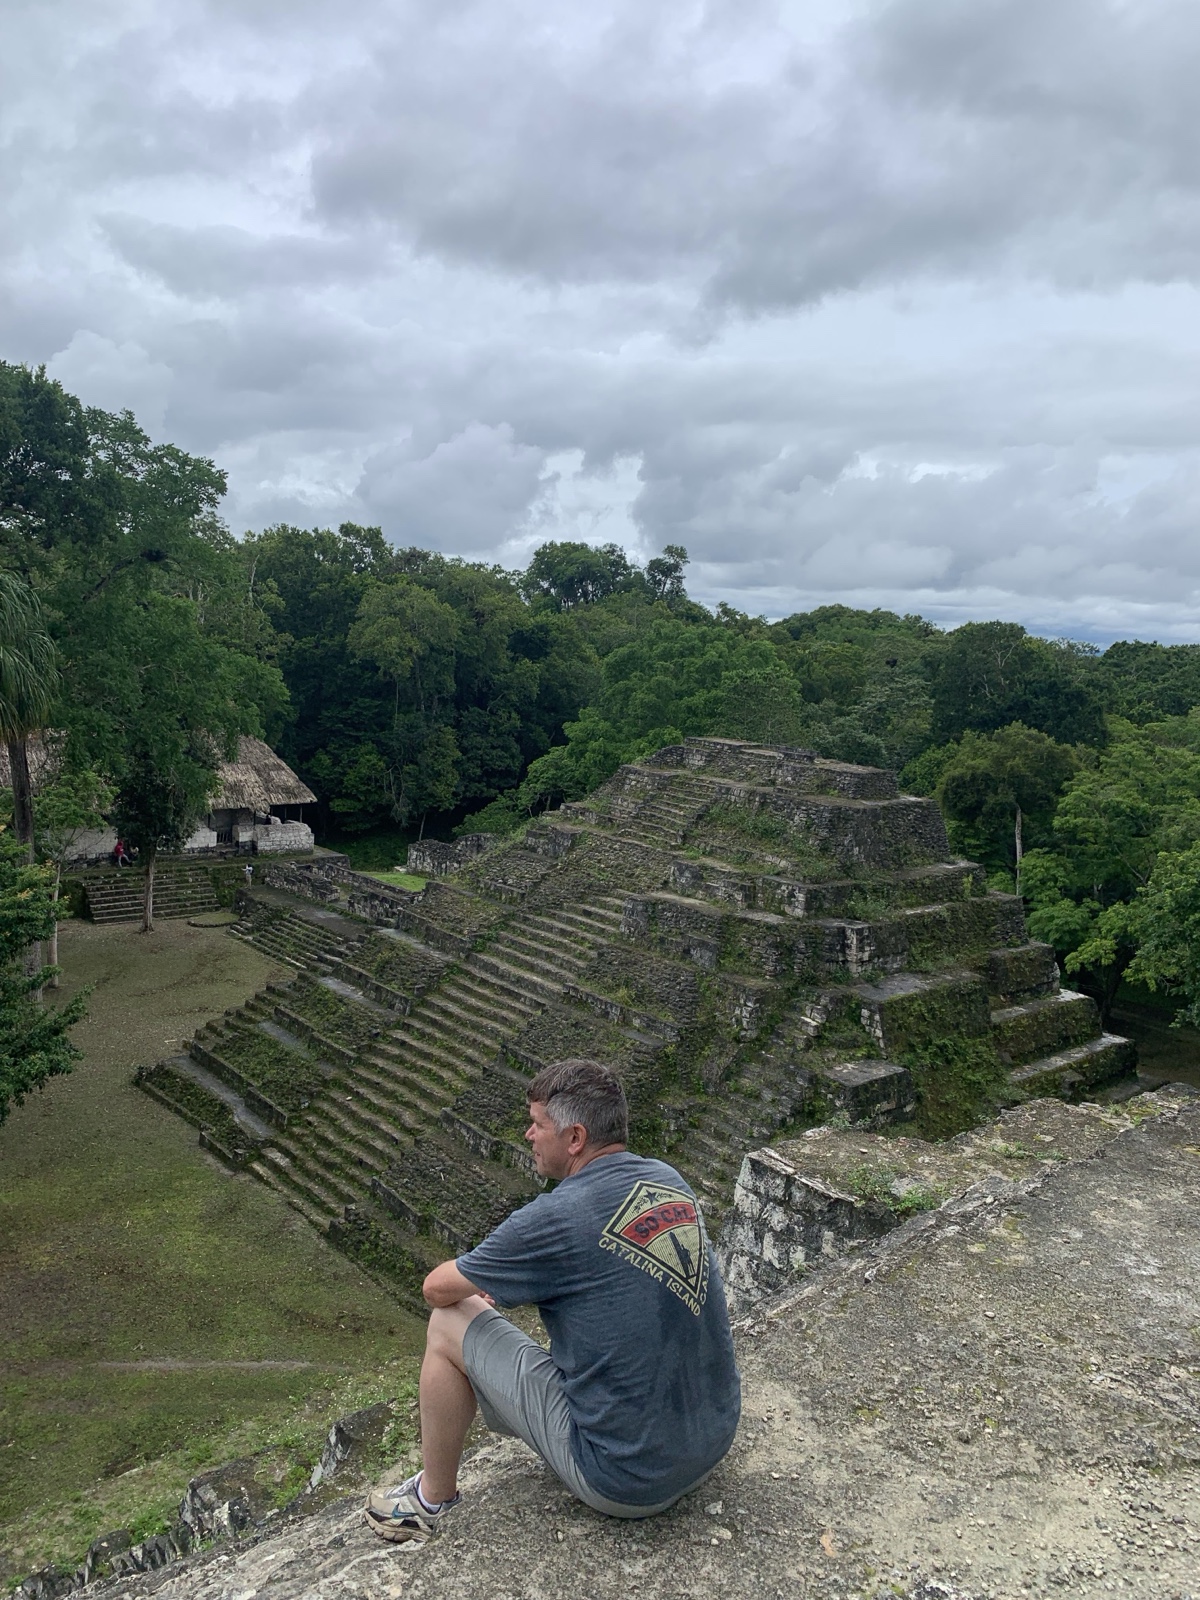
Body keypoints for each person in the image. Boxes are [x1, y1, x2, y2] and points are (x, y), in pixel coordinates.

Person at [364, 1058, 741, 1543]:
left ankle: (430, 1501)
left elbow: (436, 1287)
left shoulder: (555, 1216)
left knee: (448, 1320)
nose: (528, 1136)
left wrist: (485, 1282)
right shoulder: (668, 1180)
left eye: (537, 1124)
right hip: (710, 1440)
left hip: (627, 1479)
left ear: (575, 1138)